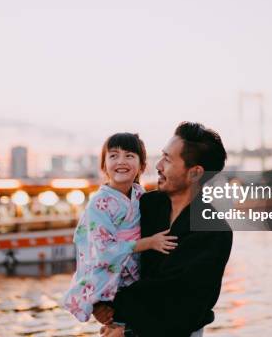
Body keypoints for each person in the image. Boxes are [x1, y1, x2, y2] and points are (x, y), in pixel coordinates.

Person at [94, 122, 233, 337]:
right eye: (162, 156)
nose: (158, 165)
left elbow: (180, 299)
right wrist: (97, 301)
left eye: (167, 159)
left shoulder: (214, 231)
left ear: (195, 173)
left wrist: (125, 326)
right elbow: (104, 247)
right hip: (121, 324)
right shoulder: (145, 205)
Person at [62, 132, 179, 322]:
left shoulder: (141, 195)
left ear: (142, 166)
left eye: (129, 155)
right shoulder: (99, 203)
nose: (121, 161)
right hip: (110, 286)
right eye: (113, 155)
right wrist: (148, 243)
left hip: (135, 282)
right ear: (104, 166)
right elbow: (102, 251)